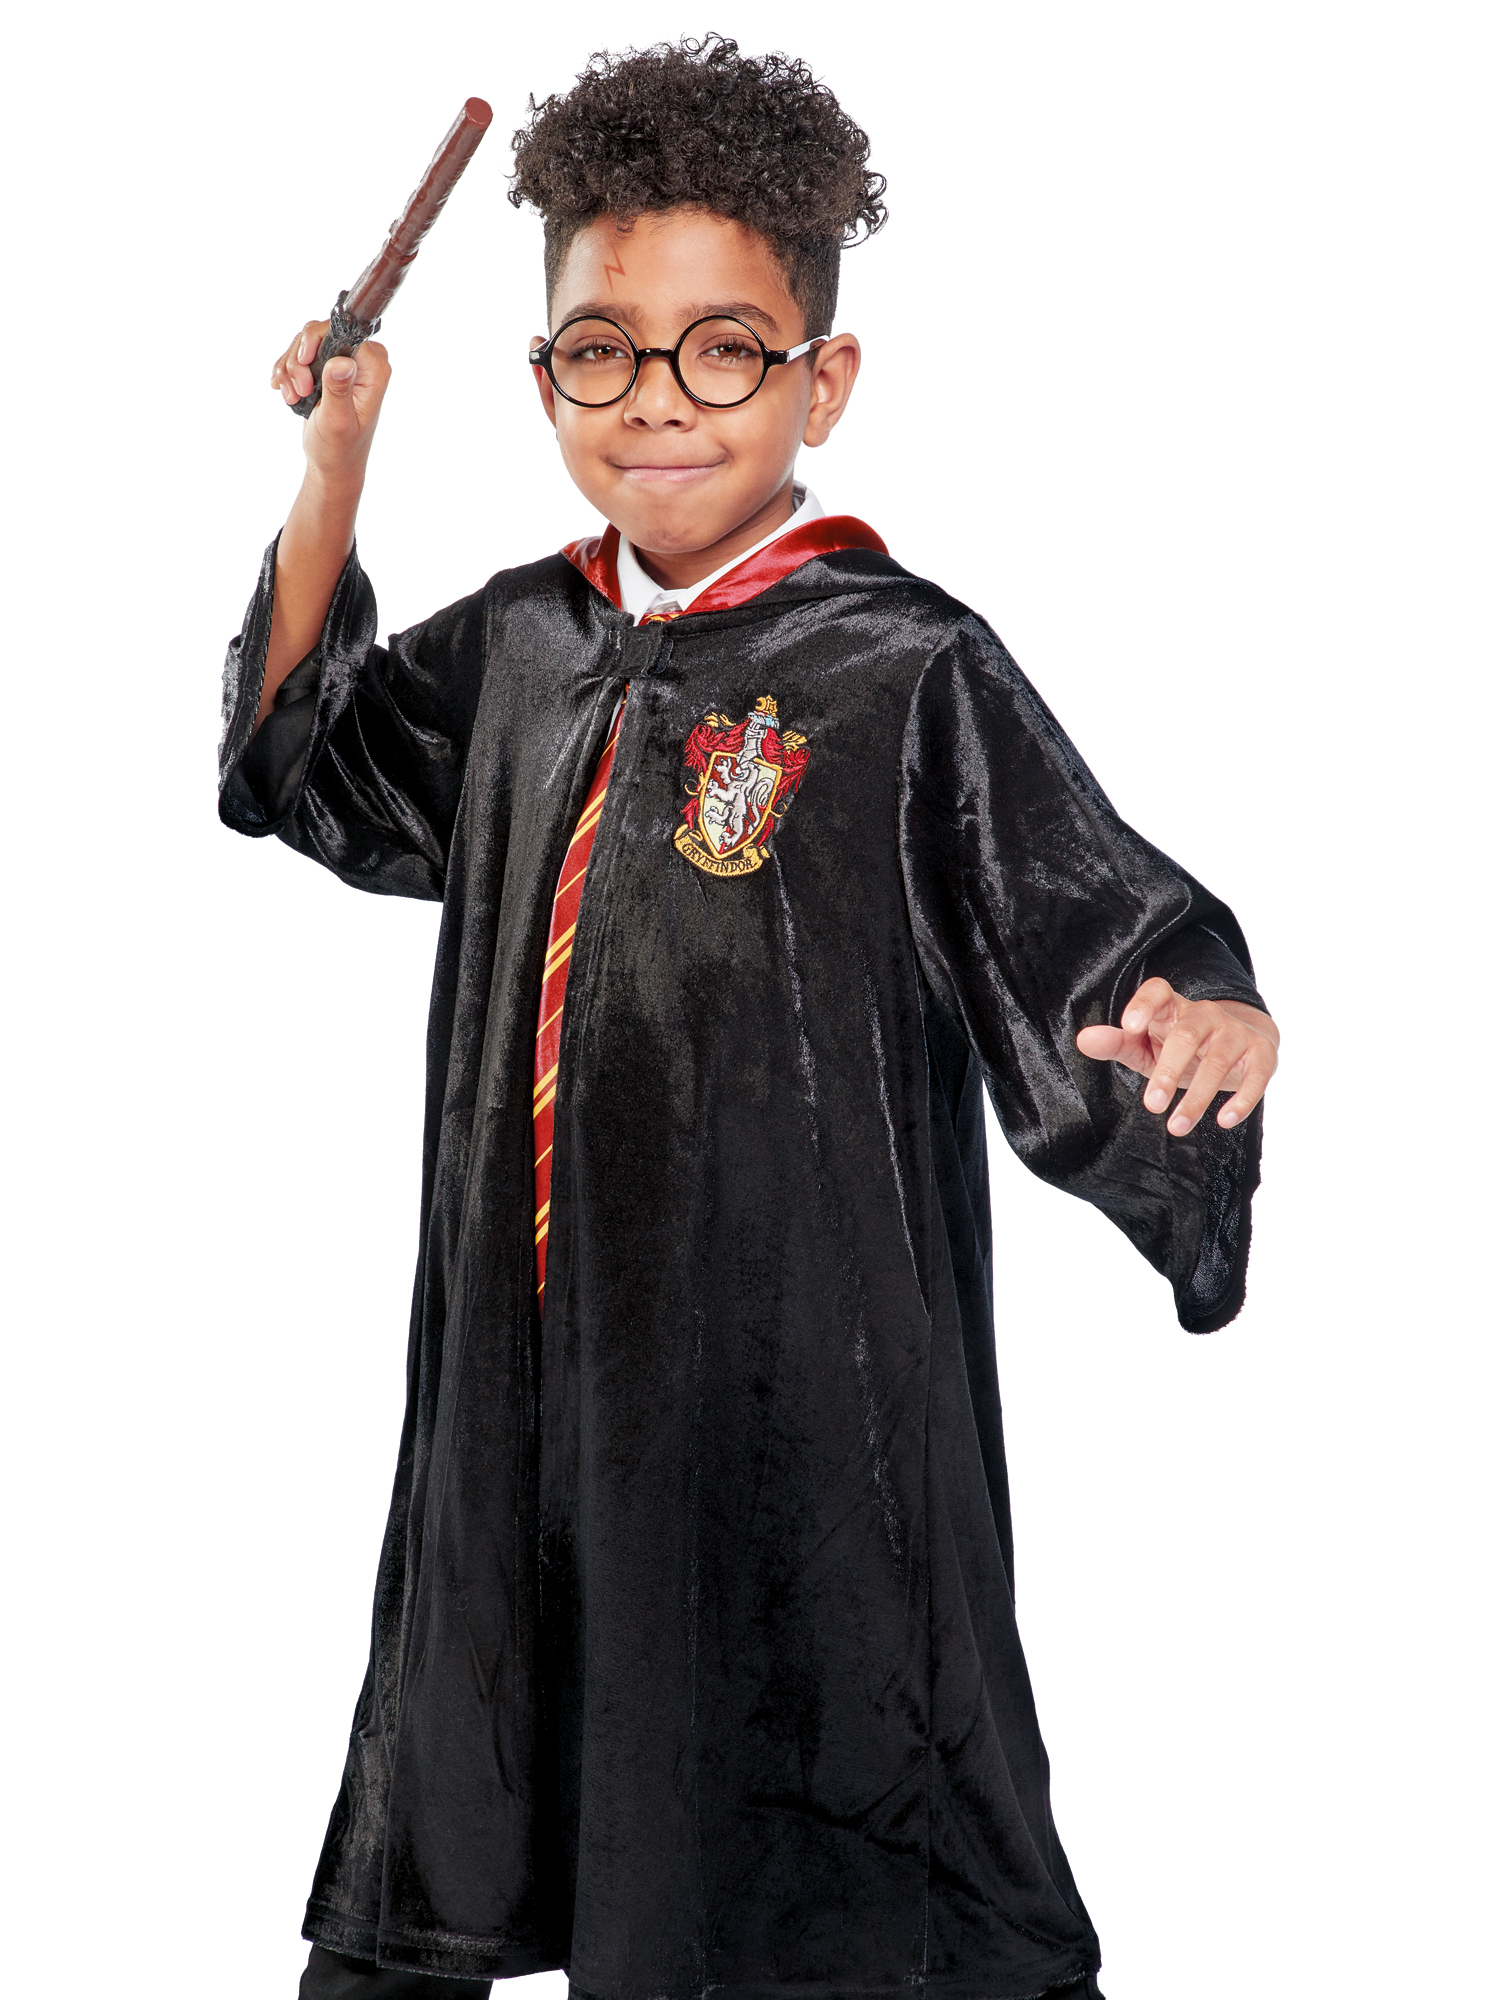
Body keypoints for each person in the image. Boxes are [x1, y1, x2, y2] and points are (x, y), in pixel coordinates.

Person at [220, 36, 1280, 2000]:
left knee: (820, 1799)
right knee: (484, 1751)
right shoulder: (526, 644)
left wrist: (1208, 1018)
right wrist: (336, 462)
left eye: (724, 351)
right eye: (601, 351)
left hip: (790, 1389)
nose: (657, 400)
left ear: (823, 379)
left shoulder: (901, 666)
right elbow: (303, 753)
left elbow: (1102, 927)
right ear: (544, 376)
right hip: (521, 1382)